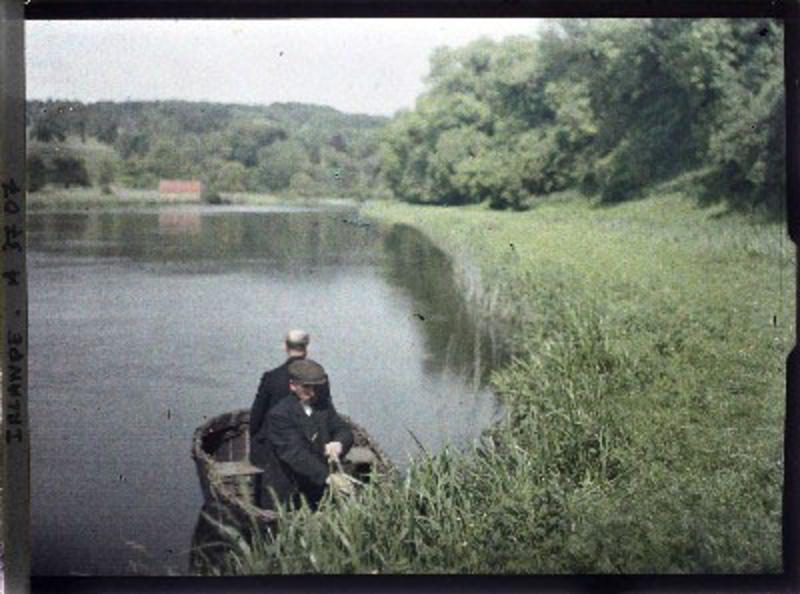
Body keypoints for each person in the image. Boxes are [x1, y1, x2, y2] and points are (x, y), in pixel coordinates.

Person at [263, 359, 354, 509]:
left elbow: (343, 429)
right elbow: (296, 454)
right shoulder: (279, 415)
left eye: (316, 387)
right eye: (306, 387)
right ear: (292, 385)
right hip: (288, 492)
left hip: (317, 487)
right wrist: (328, 477)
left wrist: (338, 443)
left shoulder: (323, 406)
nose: (312, 393)